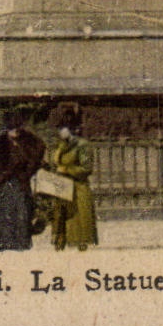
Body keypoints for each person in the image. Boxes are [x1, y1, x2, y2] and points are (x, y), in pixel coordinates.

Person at [0, 106, 44, 251]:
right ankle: (1, 243)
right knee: (2, 213)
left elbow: (38, 153)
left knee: (21, 213)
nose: (15, 132)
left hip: (20, 182)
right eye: (12, 129)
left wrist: (29, 169)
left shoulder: (27, 142)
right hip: (2, 183)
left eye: (17, 129)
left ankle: (20, 243)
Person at [46, 106, 97, 251]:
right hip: (61, 185)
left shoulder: (83, 145)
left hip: (78, 187)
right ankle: (60, 242)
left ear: (71, 129)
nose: (60, 132)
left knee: (77, 218)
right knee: (60, 215)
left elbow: (86, 168)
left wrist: (67, 169)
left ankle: (81, 246)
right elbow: (55, 163)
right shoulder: (60, 145)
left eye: (63, 128)